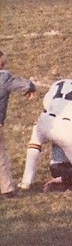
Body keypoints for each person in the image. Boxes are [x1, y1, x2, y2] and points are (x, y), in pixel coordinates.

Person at [0, 51, 36, 197]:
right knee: (0, 156)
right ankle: (7, 189)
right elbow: (26, 85)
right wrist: (30, 89)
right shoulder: (4, 77)